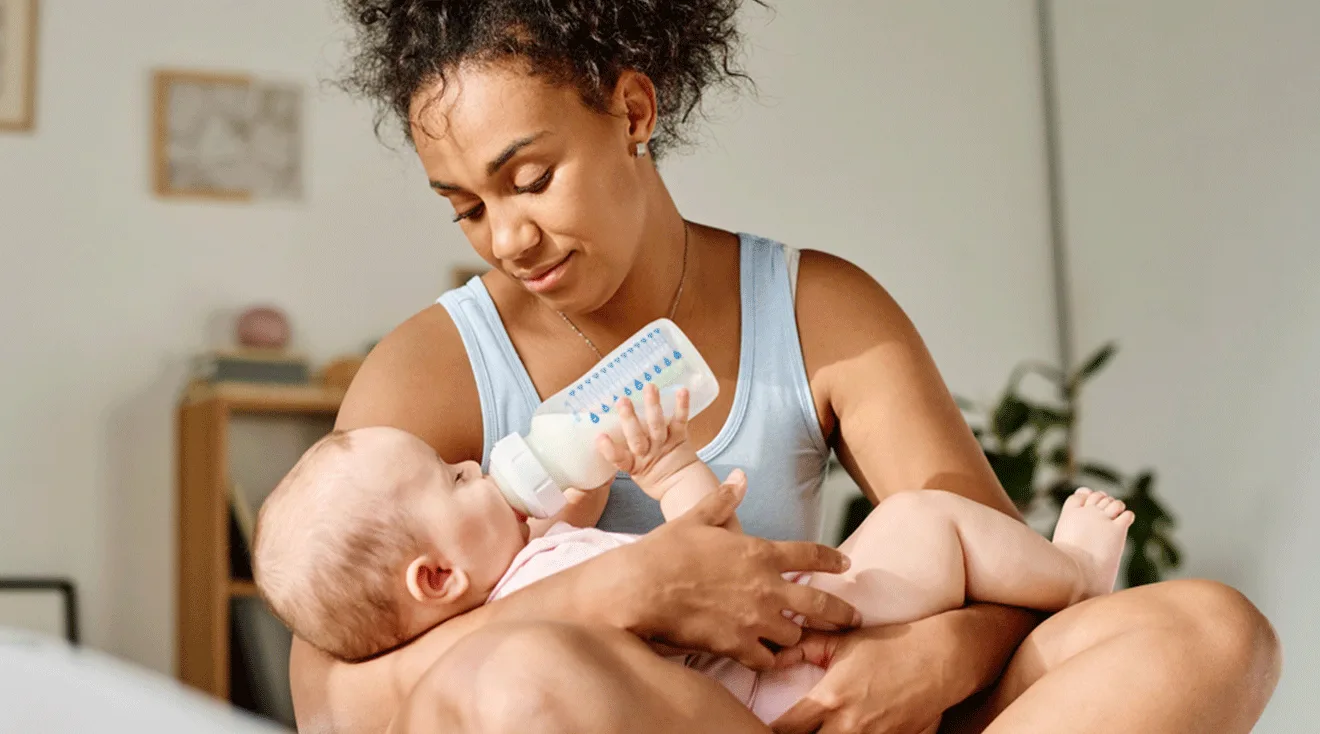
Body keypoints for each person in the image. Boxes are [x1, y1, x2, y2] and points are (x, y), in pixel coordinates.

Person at [293, 1, 1282, 732]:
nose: (505, 234)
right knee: (515, 677)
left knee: (1210, 631)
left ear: (632, 110)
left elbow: (996, 573)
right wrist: (617, 594)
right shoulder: (435, 367)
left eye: (530, 177)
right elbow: (335, 702)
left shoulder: (817, 308)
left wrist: (932, 655)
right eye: (464, 206)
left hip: (823, 693)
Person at [263, 386, 1134, 729]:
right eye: (452, 479)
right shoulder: (529, 614)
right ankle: (1074, 579)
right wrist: (676, 473)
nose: (475, 462)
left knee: (1208, 633)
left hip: (787, 677)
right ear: (438, 577)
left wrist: (612, 488)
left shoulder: (527, 568)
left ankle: (1059, 599)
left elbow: (683, 579)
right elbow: (712, 574)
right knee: (926, 520)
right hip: (796, 653)